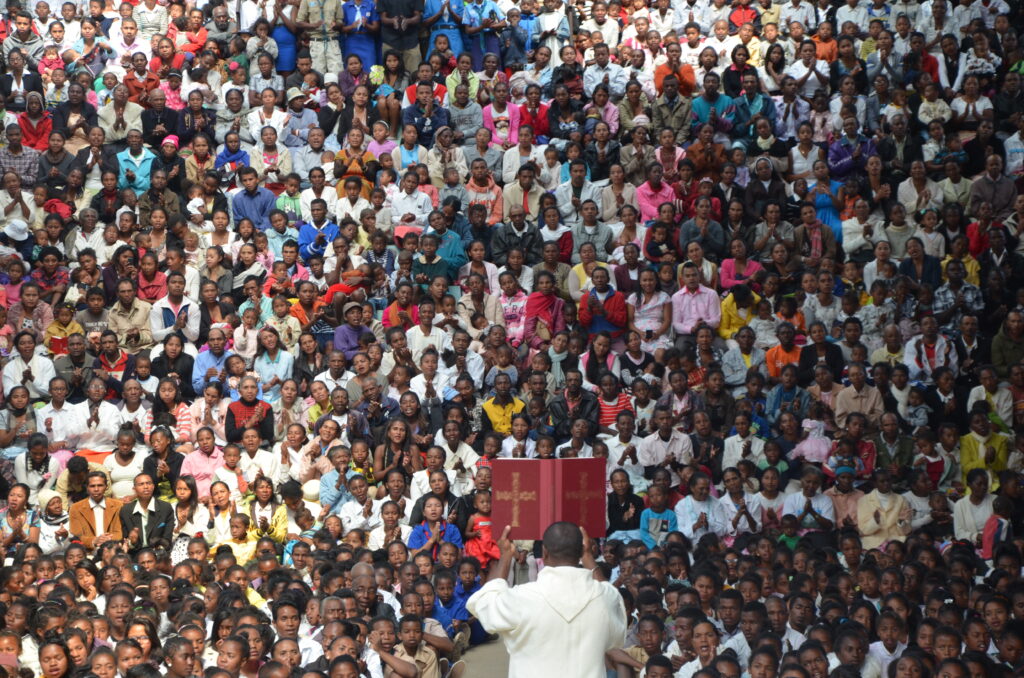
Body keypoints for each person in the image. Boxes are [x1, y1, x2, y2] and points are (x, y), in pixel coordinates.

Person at [466, 522, 626, 677]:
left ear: (544, 552)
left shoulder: (523, 597)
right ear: (583, 550)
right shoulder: (605, 598)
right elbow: (614, 599)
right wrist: (588, 557)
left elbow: (486, 602)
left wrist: (506, 556)